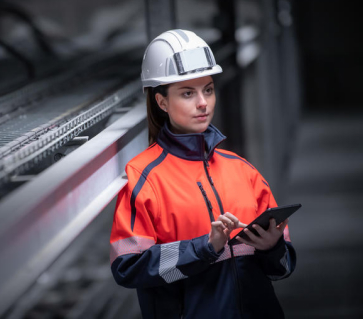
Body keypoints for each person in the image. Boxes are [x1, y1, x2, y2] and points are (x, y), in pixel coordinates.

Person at [109, 29, 296, 319]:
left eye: (208, 89)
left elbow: (282, 267)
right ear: (162, 102)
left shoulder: (242, 170)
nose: (202, 103)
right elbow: (129, 268)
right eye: (187, 93)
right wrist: (204, 248)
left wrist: (271, 248)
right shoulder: (144, 179)